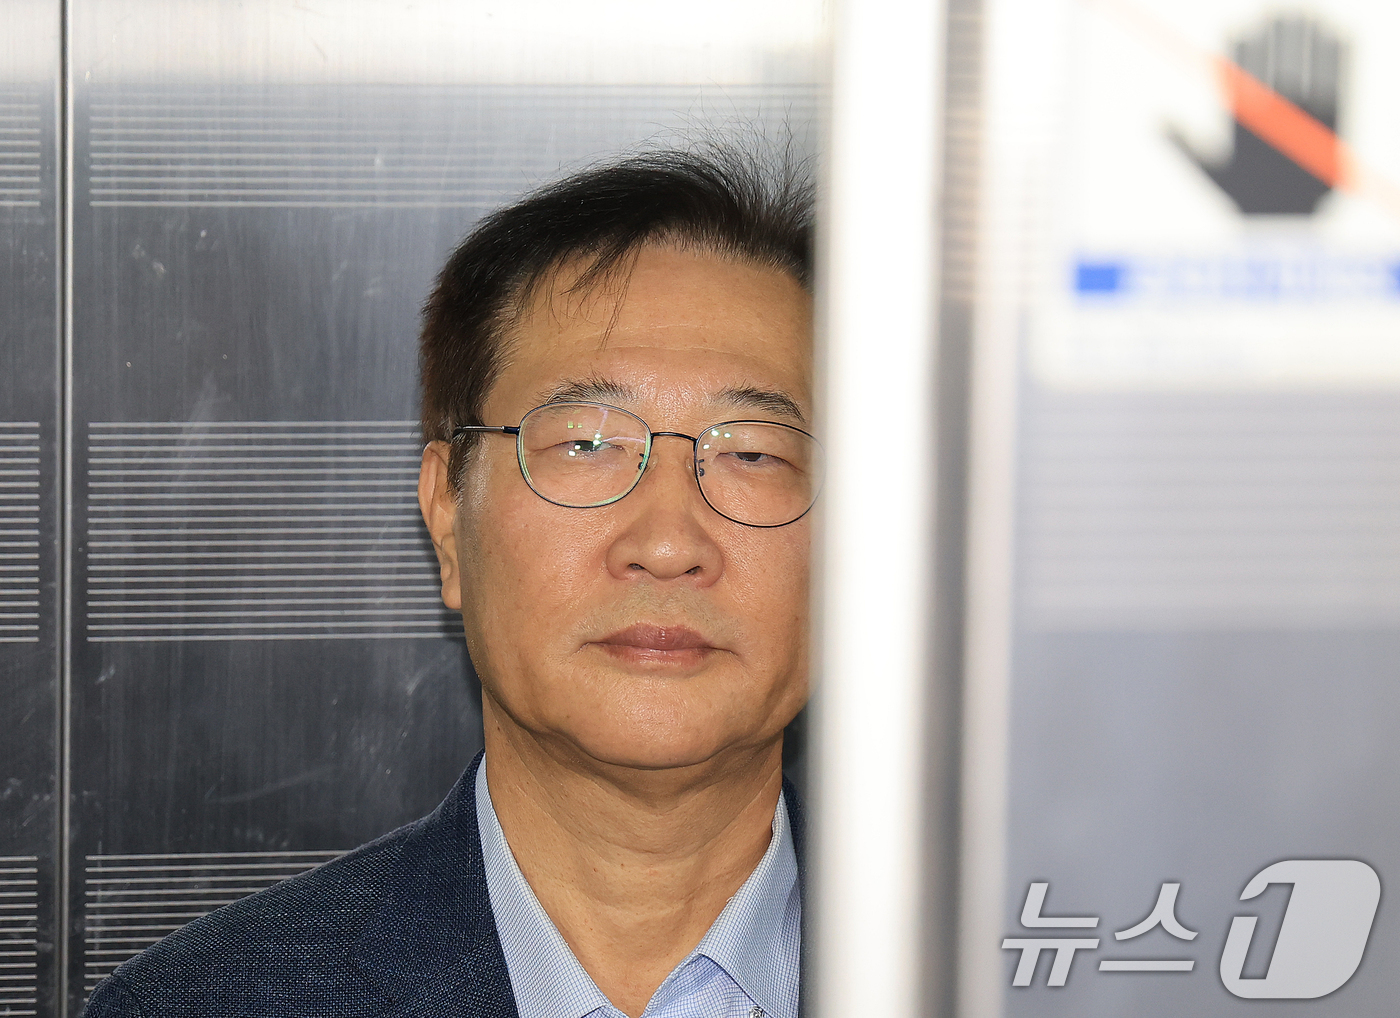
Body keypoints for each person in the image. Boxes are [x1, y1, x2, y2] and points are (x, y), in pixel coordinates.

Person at [82, 146, 818, 1018]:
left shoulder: (963, 973)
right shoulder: (200, 1005)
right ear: (446, 517)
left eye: (753, 453)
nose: (665, 544)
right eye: (585, 443)